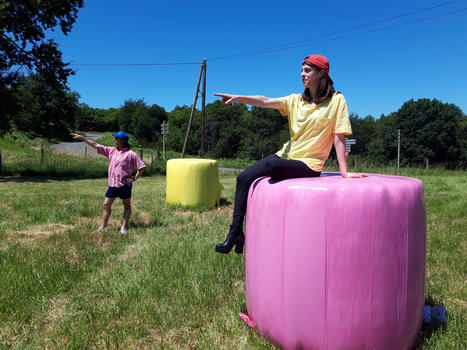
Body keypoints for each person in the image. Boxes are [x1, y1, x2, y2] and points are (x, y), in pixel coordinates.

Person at [214, 54, 366, 254]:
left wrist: (344, 172)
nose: (301, 74)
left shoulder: (336, 100)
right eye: (302, 70)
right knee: (243, 178)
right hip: (286, 155)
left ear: (322, 73)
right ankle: (235, 233)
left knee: (271, 167)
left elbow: (339, 135)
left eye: (307, 70)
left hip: (309, 163)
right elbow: (266, 101)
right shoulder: (296, 100)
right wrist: (239, 98)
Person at [70, 131, 146, 235]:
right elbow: (96, 145)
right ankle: (103, 227)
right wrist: (83, 138)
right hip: (112, 185)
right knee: (106, 205)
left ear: (123, 141)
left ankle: (124, 227)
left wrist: (134, 178)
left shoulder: (131, 154)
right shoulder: (111, 151)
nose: (114, 140)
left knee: (126, 206)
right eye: (114, 138)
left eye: (116, 138)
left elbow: (142, 167)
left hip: (124, 185)